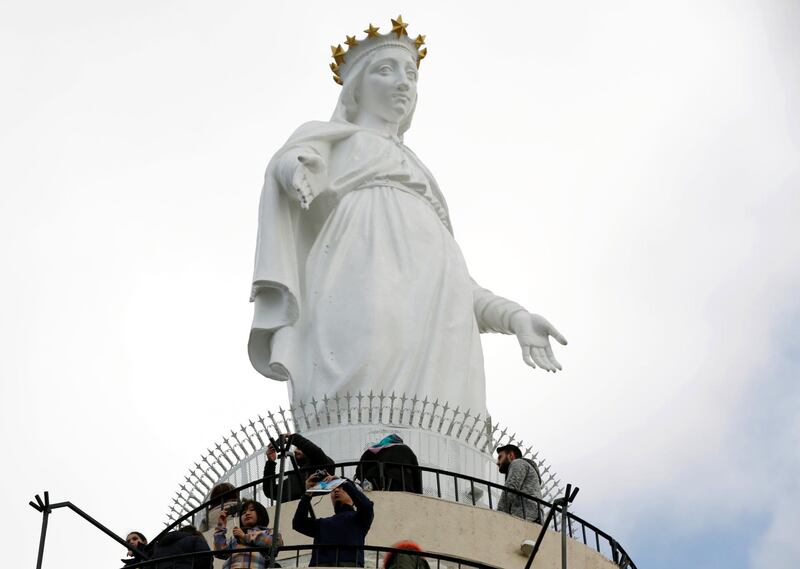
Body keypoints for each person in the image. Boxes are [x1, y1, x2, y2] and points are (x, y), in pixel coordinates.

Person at [247, 15, 567, 415]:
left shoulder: (423, 181)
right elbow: (289, 163)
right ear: (356, 88)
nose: (403, 83)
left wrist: (515, 316)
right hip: (358, 283)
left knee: (441, 420)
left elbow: (454, 283)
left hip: (441, 324)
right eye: (386, 70)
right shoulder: (334, 141)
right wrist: (297, 170)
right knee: (362, 395)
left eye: (411, 75)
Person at [293, 473, 374, 566]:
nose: (336, 490)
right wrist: (308, 493)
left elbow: (367, 506)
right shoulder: (321, 523)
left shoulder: (360, 518)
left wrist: (343, 482)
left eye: (341, 487)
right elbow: (298, 523)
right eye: (333, 488)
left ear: (352, 494)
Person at [263, 432, 335, 502]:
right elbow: (270, 491)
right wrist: (270, 462)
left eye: (299, 448)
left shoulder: (323, 463)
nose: (295, 451)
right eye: (295, 449)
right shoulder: (291, 479)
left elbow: (315, 451)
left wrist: (292, 437)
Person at [214, 499, 282, 569]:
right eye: (243, 512)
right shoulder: (235, 538)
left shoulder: (268, 531)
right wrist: (221, 526)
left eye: (252, 510)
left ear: (261, 513)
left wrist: (245, 537)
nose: (247, 513)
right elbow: (220, 552)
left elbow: (276, 543)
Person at [355, 434, 422, 493]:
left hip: (373, 484)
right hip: (402, 484)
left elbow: (359, 471)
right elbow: (416, 472)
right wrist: (418, 492)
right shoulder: (406, 449)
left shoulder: (373, 449)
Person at [496, 444, 543, 523]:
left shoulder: (517, 463)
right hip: (534, 517)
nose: (497, 462)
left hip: (524, 515)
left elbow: (510, 488)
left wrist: (498, 516)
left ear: (511, 455)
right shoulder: (528, 467)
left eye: (500, 457)